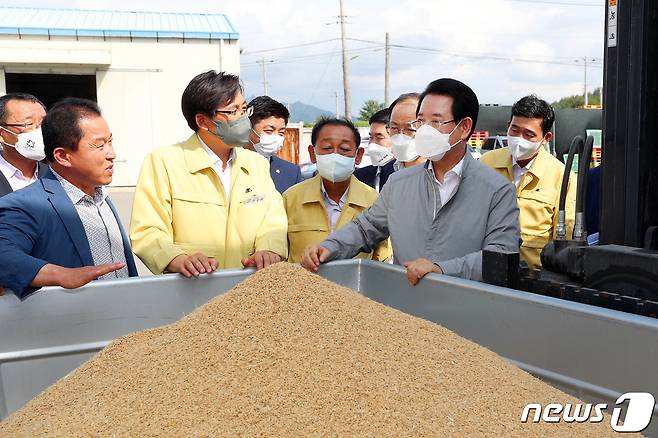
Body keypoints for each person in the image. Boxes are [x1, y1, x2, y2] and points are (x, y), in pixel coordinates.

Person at [301, 78, 519, 285]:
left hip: (467, 309)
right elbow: (365, 227)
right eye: (421, 121)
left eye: (436, 121)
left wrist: (442, 269)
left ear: (464, 128)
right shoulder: (399, 183)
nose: (425, 130)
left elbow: (499, 257)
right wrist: (329, 247)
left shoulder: (497, 191)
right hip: (407, 308)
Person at [130, 71, 288, 277]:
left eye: (244, 109)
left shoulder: (256, 163)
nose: (243, 119)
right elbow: (147, 231)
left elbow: (273, 219)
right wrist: (177, 259)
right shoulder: (163, 162)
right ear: (203, 122)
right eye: (233, 111)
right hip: (191, 287)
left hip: (249, 284)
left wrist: (269, 249)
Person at [0, 98, 137, 298]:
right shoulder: (26, 204)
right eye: (99, 146)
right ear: (63, 156)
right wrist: (60, 275)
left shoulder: (101, 196)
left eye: (110, 142)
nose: (112, 154)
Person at [480, 95, 576, 269]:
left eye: (529, 135)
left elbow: (565, 241)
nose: (519, 139)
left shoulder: (562, 176)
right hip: (486, 268)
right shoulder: (486, 163)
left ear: (546, 138)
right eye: (514, 130)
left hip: (535, 276)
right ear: (507, 125)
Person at [283, 117, 390, 263]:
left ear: (358, 156)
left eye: (344, 149)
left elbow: (382, 257)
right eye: (327, 148)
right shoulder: (291, 198)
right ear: (312, 153)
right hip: (302, 285)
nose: (335, 155)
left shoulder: (375, 200)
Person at [246, 96, 303, 193]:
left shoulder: (291, 172)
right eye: (269, 131)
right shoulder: (228, 165)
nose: (276, 137)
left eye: (281, 133)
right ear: (248, 128)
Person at [0, 93, 49, 197]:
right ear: (1, 134)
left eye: (44, 123)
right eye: (29, 123)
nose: (40, 130)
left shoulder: (58, 177)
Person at [354, 109, 395, 192]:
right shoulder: (358, 178)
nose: (372, 144)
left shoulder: (413, 177)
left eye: (379, 137)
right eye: (371, 137)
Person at [387, 93, 425, 171]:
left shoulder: (443, 173)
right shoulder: (385, 171)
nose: (401, 136)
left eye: (410, 129)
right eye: (394, 128)